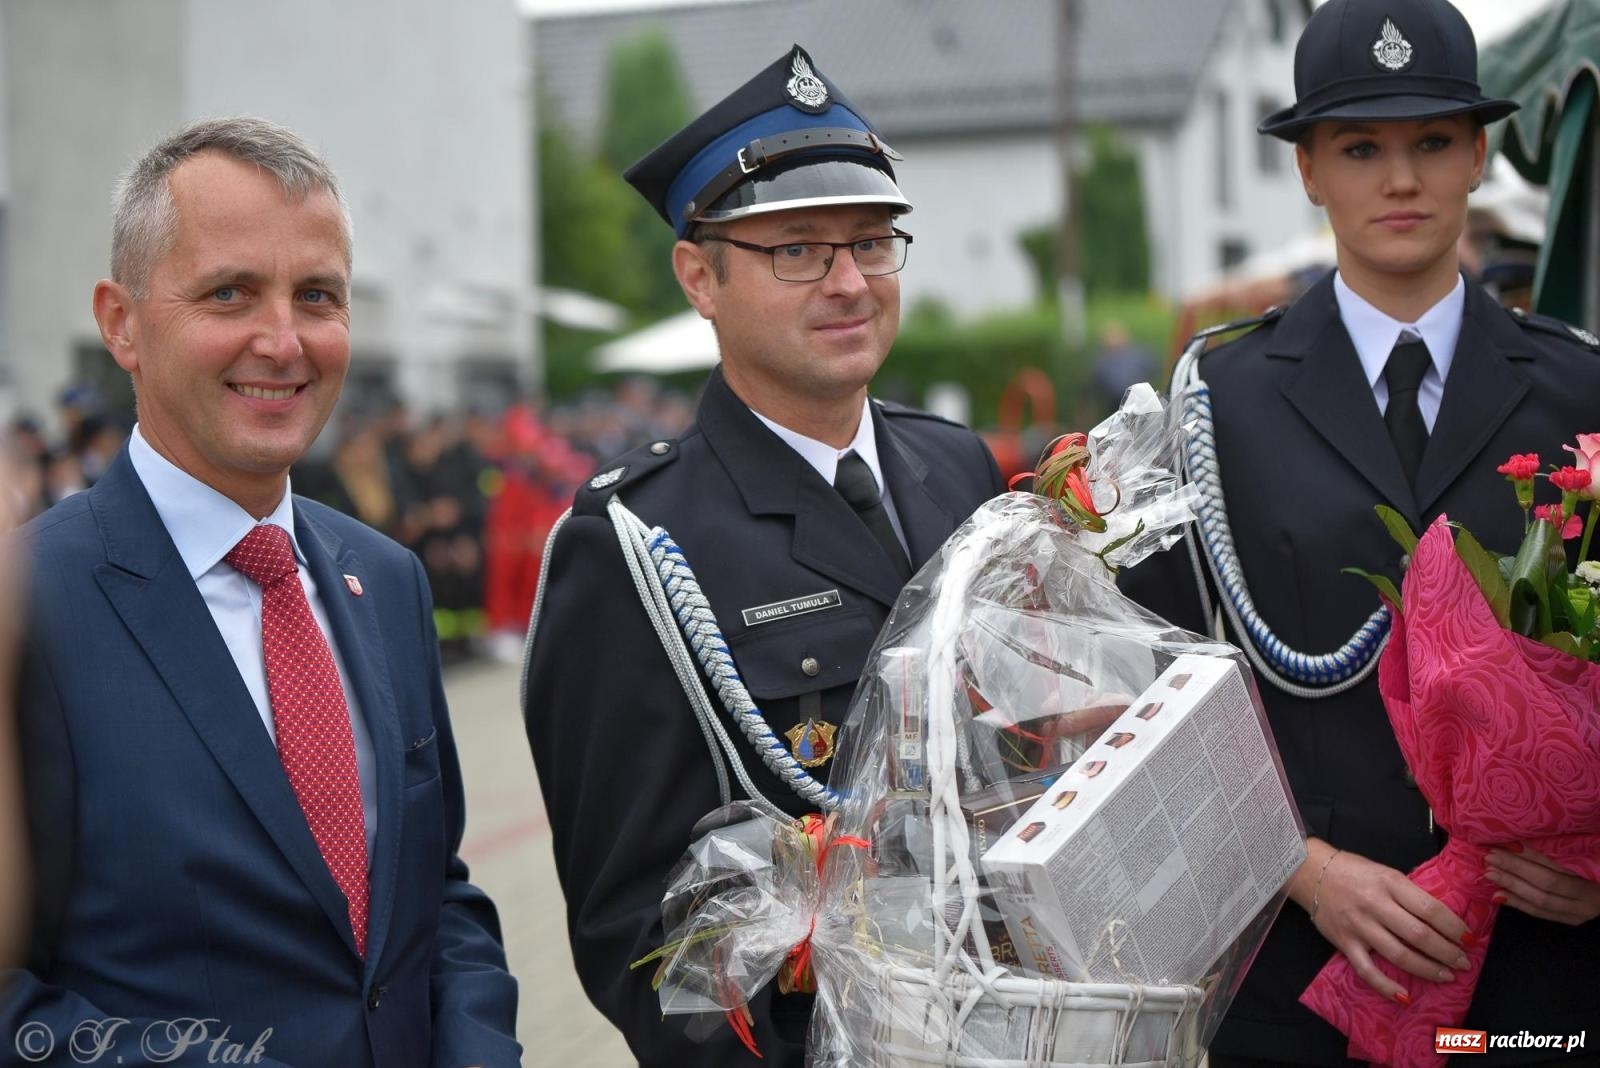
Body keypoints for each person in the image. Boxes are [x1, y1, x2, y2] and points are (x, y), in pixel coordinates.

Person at [1119, 2, 1600, 1064]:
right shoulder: (1217, 400)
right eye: (1359, 147)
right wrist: (1303, 871)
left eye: (1432, 143)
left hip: (1536, 977)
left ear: (1477, 156)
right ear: (1306, 172)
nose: (1400, 180)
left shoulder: (1580, 387)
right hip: (1301, 972)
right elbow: (1151, 694)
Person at [522, 46, 1004, 1067]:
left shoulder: (955, 465)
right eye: (798, 251)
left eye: (872, 243)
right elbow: (636, 932)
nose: (848, 282)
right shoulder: (634, 546)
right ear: (699, 277)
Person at [4, 117, 520, 1066]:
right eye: (230, 292)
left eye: (316, 296)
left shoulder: (386, 578)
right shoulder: (29, 602)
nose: (283, 341)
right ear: (121, 323)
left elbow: (433, 897)